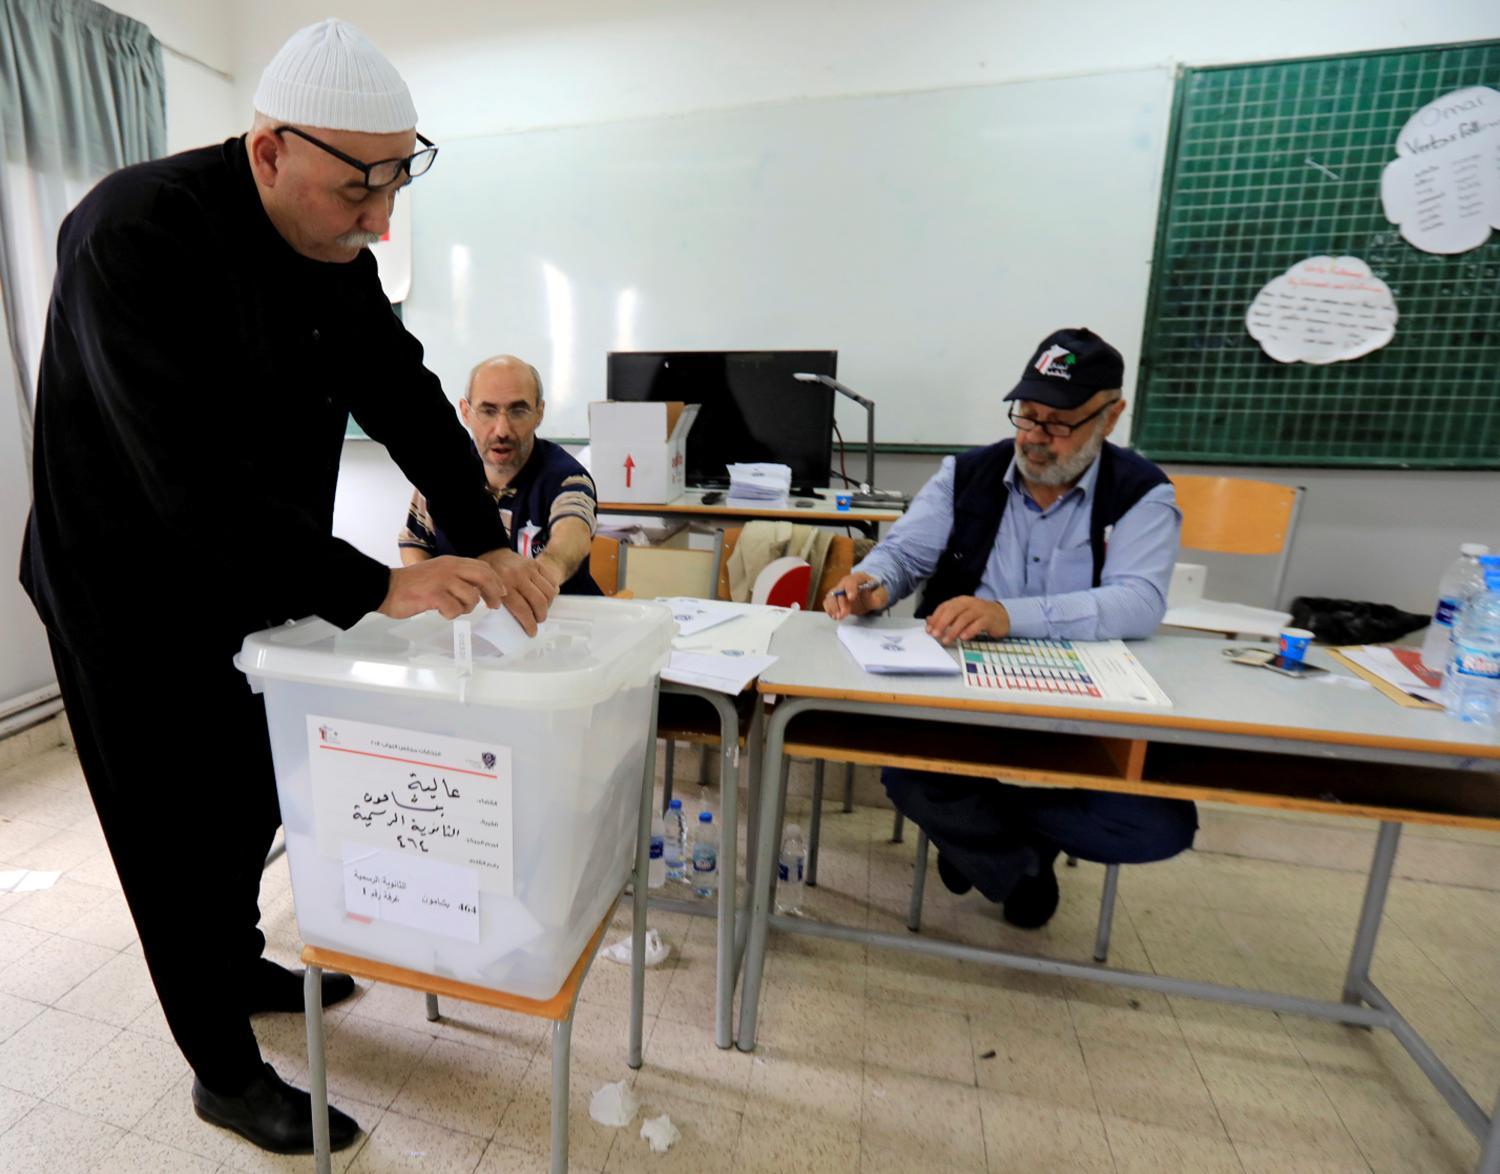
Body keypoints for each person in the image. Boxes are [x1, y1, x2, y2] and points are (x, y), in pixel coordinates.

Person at [18, 19, 558, 1156]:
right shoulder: (129, 236)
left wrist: (487, 536)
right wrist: (381, 586)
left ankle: (236, 959)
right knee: (168, 829)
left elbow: (409, 398)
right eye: (356, 188)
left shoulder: (338, 259)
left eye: (397, 183)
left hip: (256, 574)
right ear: (267, 151)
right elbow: (183, 481)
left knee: (255, 787)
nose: (379, 219)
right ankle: (222, 1068)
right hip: (126, 592)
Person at [825, 327, 1195, 929]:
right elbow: (905, 556)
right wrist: (872, 583)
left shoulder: (1142, 492)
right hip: (957, 690)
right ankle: (1020, 867)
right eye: (1026, 415)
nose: (1033, 437)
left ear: (1111, 414)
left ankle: (975, 841)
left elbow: (1140, 602)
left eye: (1057, 422)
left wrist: (1007, 616)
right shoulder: (968, 474)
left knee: (1160, 824)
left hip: (1084, 701)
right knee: (905, 770)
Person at [399, 355, 602, 595]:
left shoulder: (567, 478)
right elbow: (414, 543)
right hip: (467, 625)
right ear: (465, 412)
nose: (502, 430)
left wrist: (539, 580)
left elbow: (573, 535)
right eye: (488, 411)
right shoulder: (443, 472)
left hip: (555, 622)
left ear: (539, 413)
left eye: (518, 411)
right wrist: (434, 595)